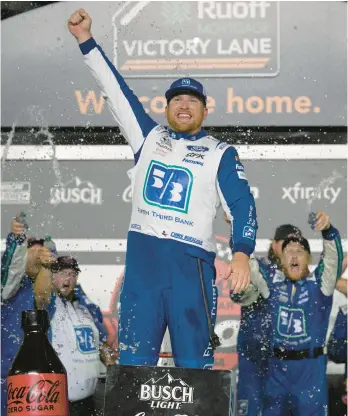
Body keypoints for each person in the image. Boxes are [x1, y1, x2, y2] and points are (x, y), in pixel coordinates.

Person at [67, 9, 258, 369]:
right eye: (176, 99)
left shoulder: (221, 152)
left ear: (205, 110)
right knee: (133, 368)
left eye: (192, 100)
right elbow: (114, 89)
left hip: (191, 273)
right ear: (167, 108)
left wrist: (242, 253)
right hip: (144, 272)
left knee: (194, 373)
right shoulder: (148, 136)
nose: (183, 105)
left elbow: (242, 205)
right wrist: (85, 40)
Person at [232, 211, 343, 415]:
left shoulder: (320, 285)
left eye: (299, 251)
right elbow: (248, 263)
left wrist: (328, 231)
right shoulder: (270, 284)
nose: (293, 255)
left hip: (310, 371)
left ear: (309, 258)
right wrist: (236, 229)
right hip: (276, 370)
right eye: (288, 251)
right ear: (280, 261)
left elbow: (333, 260)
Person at [233, 223, 302, 416]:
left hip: (286, 360)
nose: (292, 248)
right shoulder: (259, 268)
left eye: (297, 244)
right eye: (287, 242)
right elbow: (238, 293)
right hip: (254, 357)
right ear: (274, 245)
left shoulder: (302, 280)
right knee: (250, 410)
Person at [35, 255, 116, 416]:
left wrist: (115, 371)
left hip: (88, 399)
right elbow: (41, 294)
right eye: (63, 273)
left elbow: (102, 344)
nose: (69, 278)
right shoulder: (50, 306)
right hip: (58, 399)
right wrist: (45, 266)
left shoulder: (85, 309)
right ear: (53, 276)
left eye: (73, 274)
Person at [1, 215, 57, 414]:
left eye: (43, 249)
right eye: (32, 246)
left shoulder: (50, 291)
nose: (39, 251)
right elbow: (11, 270)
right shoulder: (9, 289)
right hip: (7, 380)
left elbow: (42, 299)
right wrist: (15, 240)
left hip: (43, 381)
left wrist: (46, 267)